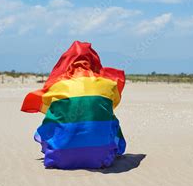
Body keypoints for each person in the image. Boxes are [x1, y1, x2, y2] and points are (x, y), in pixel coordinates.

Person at [21, 41, 126, 169]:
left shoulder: (58, 85)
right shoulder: (109, 84)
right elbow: (112, 105)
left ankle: (60, 150)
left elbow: (47, 105)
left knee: (51, 119)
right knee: (111, 119)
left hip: (59, 157)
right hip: (103, 158)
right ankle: (106, 151)